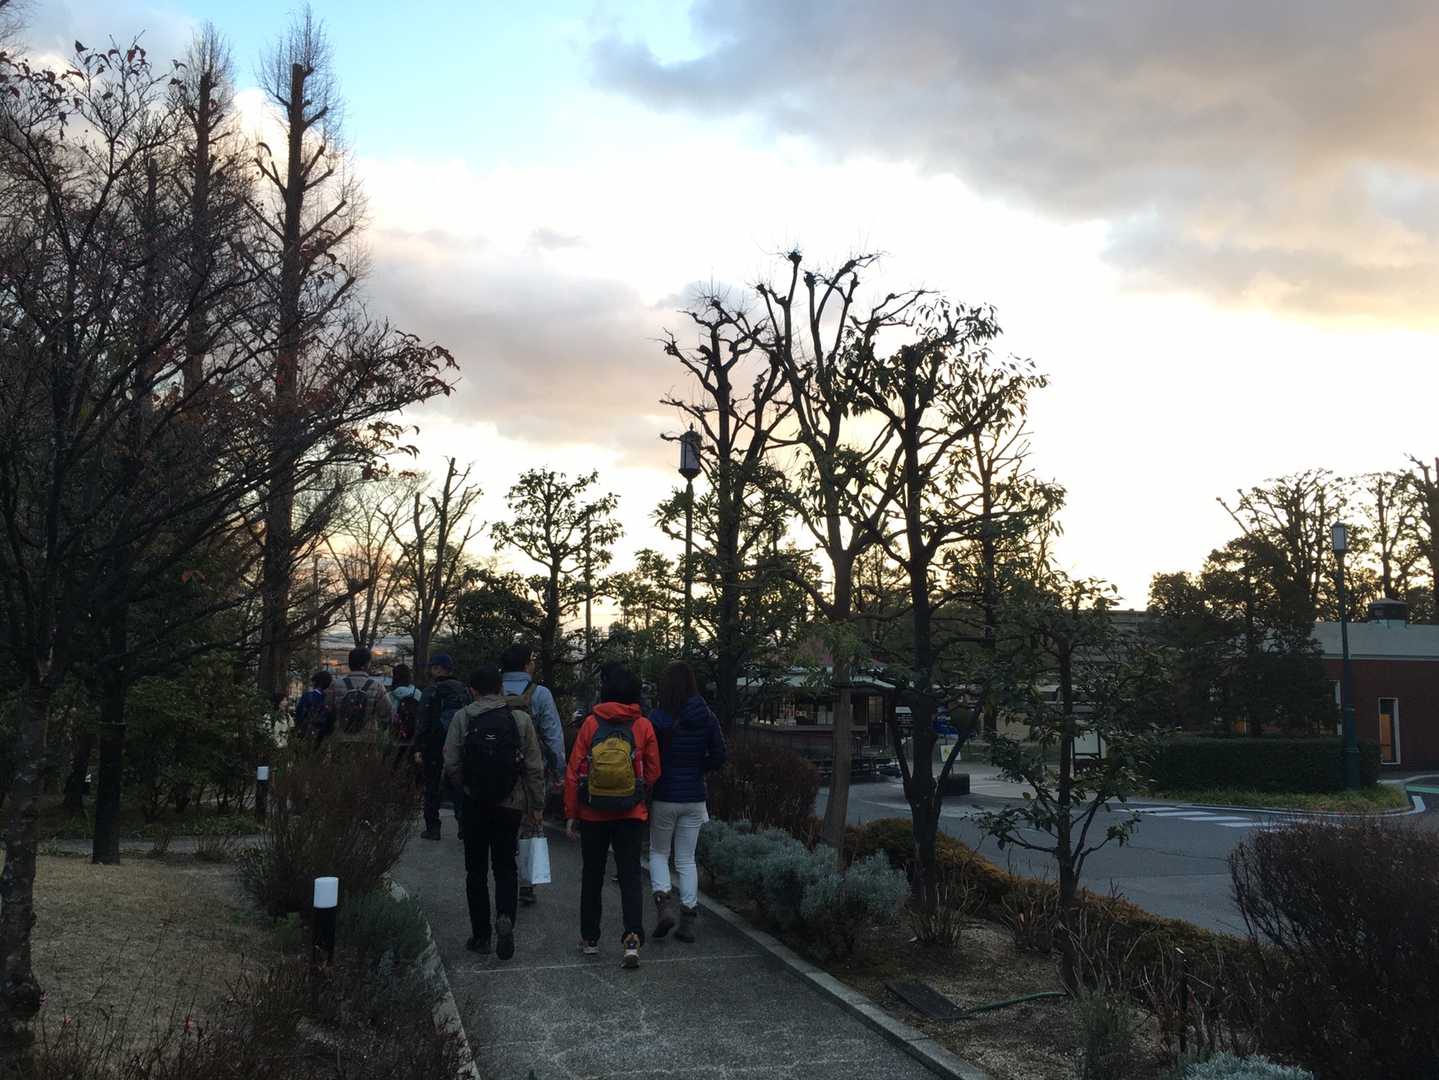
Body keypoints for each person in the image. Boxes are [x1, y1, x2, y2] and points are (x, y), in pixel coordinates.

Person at [443, 665, 546, 960]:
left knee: (475, 870)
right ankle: (505, 918)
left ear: (472, 691)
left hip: (474, 804)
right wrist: (536, 806)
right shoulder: (520, 719)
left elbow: (451, 762)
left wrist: (467, 787)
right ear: (500, 689)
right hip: (510, 804)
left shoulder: (463, 717)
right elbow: (534, 767)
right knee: (505, 867)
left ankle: (481, 936)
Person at [565, 664, 660, 969]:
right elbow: (654, 771)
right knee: (630, 875)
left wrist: (571, 813)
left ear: (605, 691)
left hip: (593, 812)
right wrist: (637, 792)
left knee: (592, 874)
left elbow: (573, 772)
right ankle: (632, 939)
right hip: (630, 813)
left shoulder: (591, 724)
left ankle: (590, 938)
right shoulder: (643, 725)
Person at [646, 661, 726, 943]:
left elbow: (648, 756)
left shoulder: (657, 718)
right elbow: (720, 755)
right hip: (694, 796)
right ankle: (688, 919)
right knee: (686, 859)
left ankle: (663, 905)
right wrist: (699, 768)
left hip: (665, 795)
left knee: (658, 853)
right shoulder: (706, 716)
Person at [500, 643, 566, 905]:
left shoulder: (492, 690)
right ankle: (527, 884)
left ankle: (505, 877)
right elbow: (553, 736)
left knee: (502, 825)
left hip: (496, 771)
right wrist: (559, 770)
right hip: (531, 772)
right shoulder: (540, 694)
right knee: (530, 825)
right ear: (527, 664)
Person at [416, 653, 471, 841]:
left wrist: (419, 746)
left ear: (438, 668)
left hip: (434, 743)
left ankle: (433, 828)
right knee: (459, 784)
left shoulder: (431, 691)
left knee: (432, 786)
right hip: (458, 744)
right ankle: (464, 825)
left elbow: (422, 720)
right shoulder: (463, 690)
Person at [323, 647, 393, 748]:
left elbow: (327, 708)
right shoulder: (377, 686)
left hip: (341, 738)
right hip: (368, 739)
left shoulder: (335, 685)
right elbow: (387, 712)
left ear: (350, 664)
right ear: (367, 664)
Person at [388, 664, 424, 772]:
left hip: (395, 735)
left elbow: (388, 714)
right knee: (410, 768)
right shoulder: (418, 693)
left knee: (393, 765)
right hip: (413, 735)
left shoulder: (392, 694)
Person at [295, 671, 333, 740]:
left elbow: (299, 713)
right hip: (322, 734)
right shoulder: (329, 700)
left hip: (306, 732)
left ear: (315, 682)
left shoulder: (307, 696)